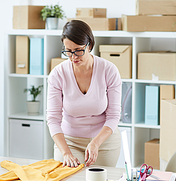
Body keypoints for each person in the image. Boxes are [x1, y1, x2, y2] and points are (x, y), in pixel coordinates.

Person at [47, 20, 122, 168]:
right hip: (69, 141)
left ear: (90, 46)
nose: (73, 56)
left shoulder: (109, 70)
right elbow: (53, 119)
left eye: (78, 50)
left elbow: (113, 115)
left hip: (104, 140)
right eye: (68, 51)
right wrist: (66, 153)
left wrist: (95, 143)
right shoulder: (57, 74)